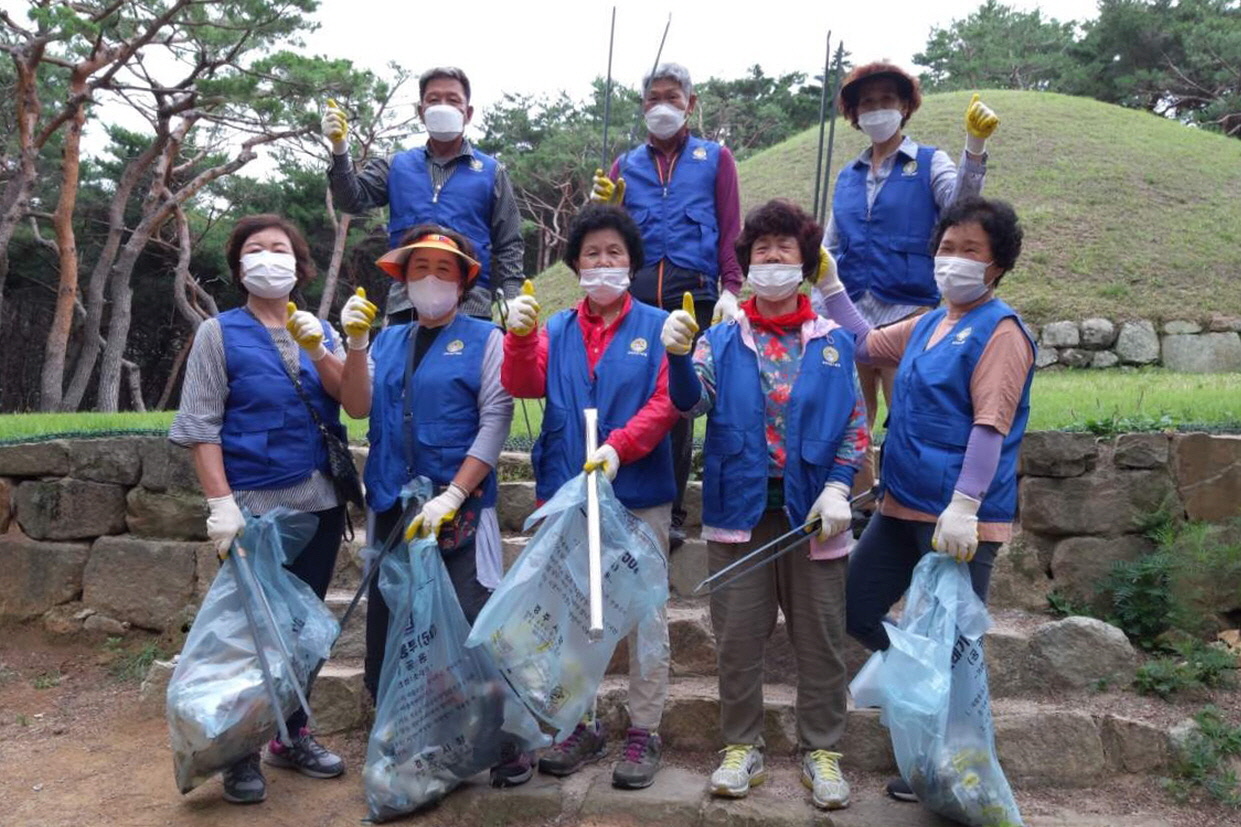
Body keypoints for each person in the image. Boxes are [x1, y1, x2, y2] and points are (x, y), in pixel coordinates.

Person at [816, 196, 1034, 803]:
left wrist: (966, 505)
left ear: (997, 266)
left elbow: (992, 424)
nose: (954, 260)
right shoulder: (931, 321)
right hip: (901, 506)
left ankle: (955, 774)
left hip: (957, 522)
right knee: (856, 608)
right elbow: (864, 345)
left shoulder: (1001, 331)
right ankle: (916, 689)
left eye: (971, 250)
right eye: (947, 247)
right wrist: (832, 286)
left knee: (958, 651)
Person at [661, 199, 869, 811]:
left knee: (823, 639)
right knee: (738, 639)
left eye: (786, 250)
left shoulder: (832, 342)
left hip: (815, 517)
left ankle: (822, 751)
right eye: (761, 251)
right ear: (747, 265)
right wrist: (677, 356)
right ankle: (739, 746)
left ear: (806, 263)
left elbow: (855, 425)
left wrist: (838, 487)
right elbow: (689, 405)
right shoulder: (722, 339)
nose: (773, 259)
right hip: (738, 513)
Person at [170, 214, 364, 804]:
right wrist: (222, 506)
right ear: (239, 268)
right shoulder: (218, 334)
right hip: (255, 510)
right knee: (252, 636)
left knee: (304, 629)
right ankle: (240, 751)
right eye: (254, 250)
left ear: (299, 264)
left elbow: (355, 402)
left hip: (321, 503)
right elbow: (202, 427)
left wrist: (332, 347)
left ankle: (293, 733)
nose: (268, 258)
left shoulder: (320, 329)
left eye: (279, 248)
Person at [336, 225, 526, 786]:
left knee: (471, 625)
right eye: (419, 269)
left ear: (464, 280)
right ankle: (408, 734)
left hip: (460, 509)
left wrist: (455, 492)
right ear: (403, 279)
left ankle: (499, 743)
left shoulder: (488, 339)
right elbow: (355, 405)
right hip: (394, 506)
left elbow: (495, 421)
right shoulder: (385, 341)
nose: (431, 280)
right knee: (394, 628)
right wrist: (352, 345)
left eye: (444, 269)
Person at [500, 203, 677, 790]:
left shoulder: (657, 327)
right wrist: (519, 339)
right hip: (571, 493)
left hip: (638, 490)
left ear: (631, 263)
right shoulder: (554, 328)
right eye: (592, 254)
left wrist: (621, 448)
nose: (603, 263)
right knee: (577, 613)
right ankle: (584, 720)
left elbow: (668, 400)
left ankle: (643, 730)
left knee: (645, 615)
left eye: (614, 254)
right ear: (576, 264)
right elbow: (524, 382)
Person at [821, 62, 1000, 499]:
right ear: (854, 113)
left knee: (909, 413)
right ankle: (859, 501)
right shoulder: (848, 175)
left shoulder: (927, 162)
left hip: (910, 314)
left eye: (887, 100)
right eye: (867, 102)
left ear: (904, 107)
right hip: (851, 315)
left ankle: (906, 500)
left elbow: (962, 207)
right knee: (850, 416)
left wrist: (973, 149)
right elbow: (830, 245)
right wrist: (818, 306)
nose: (877, 109)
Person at [590, 61, 743, 549]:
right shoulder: (624, 165)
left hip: (692, 298)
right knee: (633, 398)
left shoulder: (715, 158)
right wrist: (604, 207)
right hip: (634, 300)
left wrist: (732, 289)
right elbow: (606, 238)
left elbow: (729, 228)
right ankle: (621, 490)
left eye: (672, 97)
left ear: (690, 103)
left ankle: (673, 509)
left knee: (678, 405)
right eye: (653, 97)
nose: (663, 106)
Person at [324, 66, 524, 322]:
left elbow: (509, 243)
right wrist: (340, 150)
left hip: (472, 306)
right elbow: (350, 201)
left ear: (468, 112)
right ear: (421, 112)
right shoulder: (395, 165)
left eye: (453, 100)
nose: (443, 106)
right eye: (433, 100)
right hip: (405, 306)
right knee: (399, 362)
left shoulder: (491, 171)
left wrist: (512, 299)